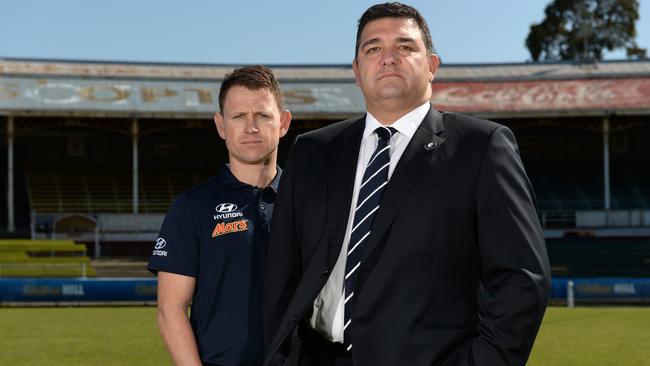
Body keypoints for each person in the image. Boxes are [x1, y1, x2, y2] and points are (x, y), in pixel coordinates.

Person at [263, 3, 550, 366]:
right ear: (356, 70)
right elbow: (282, 273)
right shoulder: (312, 151)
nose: (388, 58)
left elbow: (522, 279)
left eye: (405, 46)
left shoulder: (481, 147)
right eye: (372, 49)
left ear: (431, 65)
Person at [148, 65, 291, 366]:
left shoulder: (309, 200)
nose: (251, 127)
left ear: (283, 123)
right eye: (239, 116)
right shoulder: (192, 207)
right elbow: (170, 308)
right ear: (221, 125)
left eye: (263, 115)